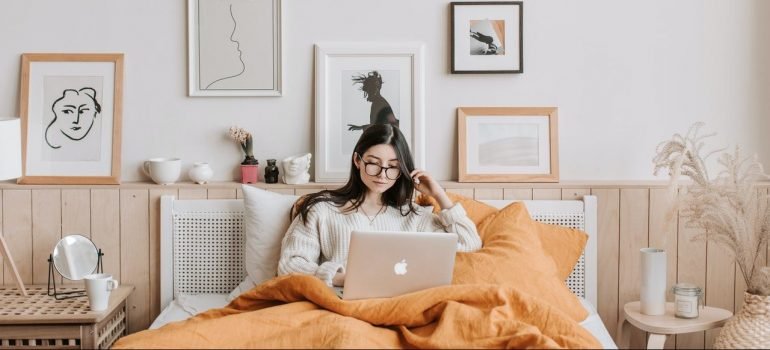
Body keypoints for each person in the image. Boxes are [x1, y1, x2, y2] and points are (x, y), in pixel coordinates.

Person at [277, 124, 482, 287]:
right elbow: (290, 265)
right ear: (357, 160)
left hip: (401, 304)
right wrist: (342, 278)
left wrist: (439, 194)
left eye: (393, 167)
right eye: (374, 163)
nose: (383, 175)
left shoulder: (415, 217)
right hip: (340, 302)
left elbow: (469, 243)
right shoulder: (322, 210)